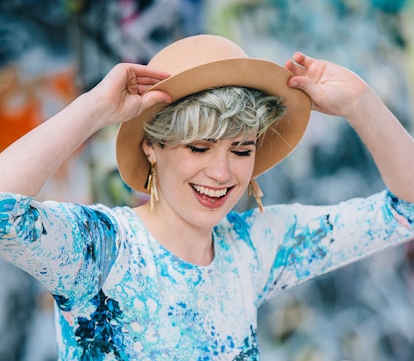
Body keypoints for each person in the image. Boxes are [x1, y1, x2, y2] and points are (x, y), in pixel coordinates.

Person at [0, 34, 413, 361]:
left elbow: (405, 211)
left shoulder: (255, 246)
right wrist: (94, 108)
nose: (221, 173)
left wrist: (361, 104)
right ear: (152, 147)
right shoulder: (101, 249)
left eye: (241, 150)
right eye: (198, 148)